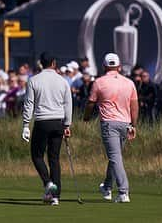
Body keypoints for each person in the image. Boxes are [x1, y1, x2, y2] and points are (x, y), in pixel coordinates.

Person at [83, 53, 138, 203]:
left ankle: (123, 192)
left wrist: (86, 117)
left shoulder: (99, 82)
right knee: (115, 157)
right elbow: (134, 105)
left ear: (104, 66)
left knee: (115, 157)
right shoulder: (129, 83)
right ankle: (107, 187)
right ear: (119, 67)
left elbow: (90, 102)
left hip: (109, 123)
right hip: (125, 123)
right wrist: (133, 125)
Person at [21, 51, 73, 206]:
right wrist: (67, 124)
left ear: (40, 63)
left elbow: (29, 104)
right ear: (54, 63)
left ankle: (48, 184)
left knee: (37, 156)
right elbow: (68, 104)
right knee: (54, 159)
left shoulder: (34, 80)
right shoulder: (62, 81)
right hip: (58, 122)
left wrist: (25, 125)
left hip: (42, 122)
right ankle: (55, 196)